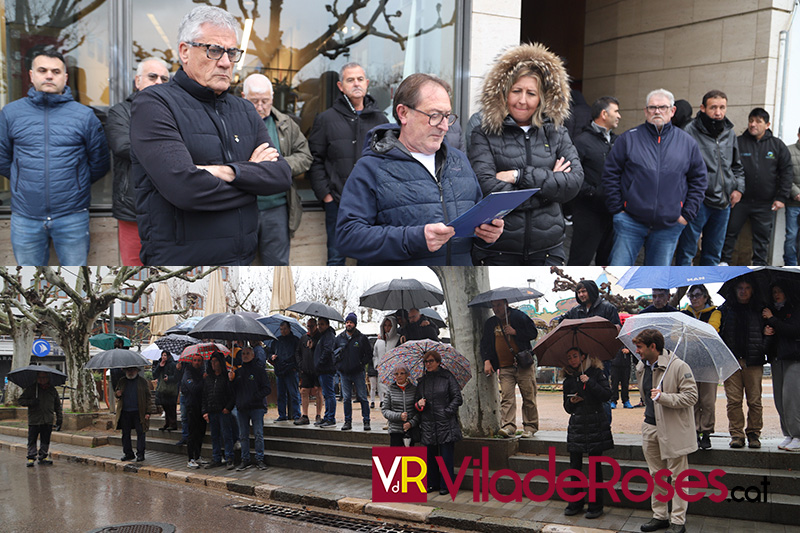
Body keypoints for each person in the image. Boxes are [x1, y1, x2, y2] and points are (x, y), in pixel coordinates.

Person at [130, 5, 292, 265]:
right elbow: (184, 188)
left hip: (242, 261)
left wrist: (227, 171)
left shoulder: (245, 109)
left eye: (233, 52)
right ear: (185, 51)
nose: (226, 62)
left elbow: (282, 176)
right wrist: (252, 177)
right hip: (182, 265)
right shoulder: (154, 104)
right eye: (214, 50)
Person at [335, 73, 504, 265]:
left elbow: (477, 218)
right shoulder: (371, 167)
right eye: (434, 116)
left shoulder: (459, 160)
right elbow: (347, 237)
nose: (444, 127)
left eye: (447, 116)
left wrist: (488, 234)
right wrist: (413, 239)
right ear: (403, 113)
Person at [469, 42, 583, 265]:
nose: (523, 100)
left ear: (542, 98)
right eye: (516, 91)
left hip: (548, 250)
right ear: (504, 92)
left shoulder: (557, 133)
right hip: (498, 250)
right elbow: (487, 187)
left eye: (531, 93)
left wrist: (517, 176)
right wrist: (549, 188)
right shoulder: (483, 133)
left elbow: (574, 183)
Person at [0, 49, 109, 266]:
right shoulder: (10, 113)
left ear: (65, 77)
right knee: (27, 283)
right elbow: (3, 159)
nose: (49, 76)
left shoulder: (84, 116)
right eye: (43, 70)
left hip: (72, 216)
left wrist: (76, 184)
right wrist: (23, 182)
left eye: (55, 71)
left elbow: (100, 162)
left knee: (77, 281)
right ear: (32, 75)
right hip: (25, 216)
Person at [602, 88, 707, 265]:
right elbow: (610, 174)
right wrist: (618, 209)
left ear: (672, 111)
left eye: (662, 107)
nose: (657, 111)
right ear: (645, 111)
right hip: (630, 221)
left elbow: (699, 180)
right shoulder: (628, 139)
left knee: (656, 282)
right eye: (652, 107)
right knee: (617, 275)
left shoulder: (687, 143)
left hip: (669, 226)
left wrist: (686, 215)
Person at [307, 62, 389, 265]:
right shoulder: (326, 119)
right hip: (337, 201)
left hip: (372, 202)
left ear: (367, 83)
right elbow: (314, 159)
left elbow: (388, 160)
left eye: (360, 79)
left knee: (369, 260)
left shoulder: (381, 120)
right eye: (350, 80)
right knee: (335, 258)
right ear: (340, 86)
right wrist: (325, 195)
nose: (356, 84)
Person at [106, 57, 171, 266]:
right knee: (133, 273)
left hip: (170, 208)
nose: (159, 82)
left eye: (164, 79)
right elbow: (123, 146)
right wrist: (168, 148)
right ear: (137, 81)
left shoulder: (176, 114)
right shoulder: (120, 112)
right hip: (132, 209)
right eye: (152, 77)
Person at [242, 73, 313, 265]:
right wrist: (251, 166)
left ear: (272, 98)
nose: (260, 107)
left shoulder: (286, 124)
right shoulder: (231, 123)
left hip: (277, 208)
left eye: (265, 101)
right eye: (254, 101)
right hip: (240, 208)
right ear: (243, 97)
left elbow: (305, 156)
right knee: (237, 266)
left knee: (277, 268)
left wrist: (279, 167)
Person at [633, 329, 698, 533]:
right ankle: (660, 515)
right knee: (657, 475)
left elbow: (691, 397)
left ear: (653, 347)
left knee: (678, 476)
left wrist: (664, 397)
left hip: (674, 429)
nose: (637, 351)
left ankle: (678, 520)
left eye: (641, 347)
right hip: (650, 426)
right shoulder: (641, 366)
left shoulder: (679, 366)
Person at [675, 90, 745, 266]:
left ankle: (706, 290)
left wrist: (739, 189)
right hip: (698, 201)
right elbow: (679, 168)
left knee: (713, 254)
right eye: (713, 107)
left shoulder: (729, 132)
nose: (718, 112)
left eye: (722, 107)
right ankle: (683, 288)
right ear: (703, 108)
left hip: (723, 203)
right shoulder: (689, 131)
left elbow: (736, 166)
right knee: (687, 252)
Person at [720, 108, 793, 266]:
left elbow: (787, 172)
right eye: (751, 121)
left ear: (767, 124)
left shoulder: (777, 146)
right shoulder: (738, 143)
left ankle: (759, 268)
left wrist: (781, 198)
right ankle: (723, 263)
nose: (753, 125)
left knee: (762, 239)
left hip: (765, 204)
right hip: (739, 201)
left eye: (758, 121)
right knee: (729, 234)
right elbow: (727, 168)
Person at [568, 96, 621, 266]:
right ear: (604, 114)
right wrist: (593, 192)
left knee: (607, 264)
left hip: (613, 214)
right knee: (580, 261)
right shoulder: (581, 142)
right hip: (588, 213)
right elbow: (572, 175)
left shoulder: (617, 141)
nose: (619, 116)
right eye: (616, 111)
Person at [562, 348, 613, 519]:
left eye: (575, 356)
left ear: (583, 356)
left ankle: (595, 505)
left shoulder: (597, 373)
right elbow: (567, 408)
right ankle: (575, 502)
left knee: (594, 468)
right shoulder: (568, 379)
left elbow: (606, 395)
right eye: (569, 357)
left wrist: (589, 381)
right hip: (577, 425)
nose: (572, 360)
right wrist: (572, 401)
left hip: (595, 424)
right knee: (575, 467)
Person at [480, 298, 539, 438]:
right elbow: (486, 344)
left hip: (523, 365)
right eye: (493, 305)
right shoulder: (491, 323)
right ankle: (508, 426)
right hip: (504, 367)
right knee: (507, 398)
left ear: (506, 304)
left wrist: (516, 332)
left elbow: (533, 333)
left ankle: (530, 426)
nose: (496, 308)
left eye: (499, 305)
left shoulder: (519, 316)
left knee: (529, 397)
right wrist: (487, 360)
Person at [718, 278, 765, 448]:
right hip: (731, 361)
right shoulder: (725, 309)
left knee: (754, 401)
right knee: (733, 401)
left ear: (752, 290)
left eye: (747, 288)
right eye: (740, 288)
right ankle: (737, 434)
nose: (743, 291)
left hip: (753, 361)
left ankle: (753, 433)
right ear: (735, 289)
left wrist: (762, 348)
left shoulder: (760, 309)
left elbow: (768, 334)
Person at [415, 350, 463, 496]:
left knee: (446, 456)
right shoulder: (422, 381)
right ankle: (432, 483)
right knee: (430, 456)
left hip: (445, 423)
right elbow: (415, 403)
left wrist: (447, 411)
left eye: (431, 361)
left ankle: (447, 485)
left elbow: (457, 398)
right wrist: (419, 404)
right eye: (426, 362)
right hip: (428, 423)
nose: (428, 364)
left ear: (438, 362)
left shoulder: (447, 377)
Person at [681, 284, 722, 449]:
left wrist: (690, 333)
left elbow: (712, 330)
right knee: (692, 400)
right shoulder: (684, 314)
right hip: (690, 362)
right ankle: (694, 431)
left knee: (708, 400)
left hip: (708, 363)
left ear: (705, 297)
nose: (694, 299)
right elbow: (678, 335)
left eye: (698, 295)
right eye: (691, 295)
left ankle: (706, 431)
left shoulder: (714, 312)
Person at [762, 283, 800, 451]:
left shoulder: (794, 309)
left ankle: (798, 434)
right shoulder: (770, 310)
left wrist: (772, 319)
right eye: (774, 292)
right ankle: (789, 433)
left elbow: (793, 330)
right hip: (776, 358)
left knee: (791, 397)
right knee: (779, 399)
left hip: (793, 358)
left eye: (780, 291)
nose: (777, 294)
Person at [228, 346, 270, 470]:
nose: (245, 356)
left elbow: (267, 388)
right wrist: (231, 381)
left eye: (247, 353)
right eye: (243, 354)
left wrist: (255, 397)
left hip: (256, 407)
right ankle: (245, 459)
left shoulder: (259, 370)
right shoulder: (238, 372)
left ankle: (259, 459)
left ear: (253, 355)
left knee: (258, 434)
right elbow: (232, 391)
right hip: (242, 408)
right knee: (243, 436)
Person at [334, 313, 373, 431]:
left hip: (358, 373)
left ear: (355, 324)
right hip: (344, 373)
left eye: (350, 322)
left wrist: (361, 364)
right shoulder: (339, 338)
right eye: (347, 322)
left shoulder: (362, 338)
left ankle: (366, 421)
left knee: (362, 397)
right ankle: (347, 421)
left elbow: (369, 354)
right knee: (346, 398)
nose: (348, 324)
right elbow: (333, 353)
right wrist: (338, 366)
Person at [19, 372, 63, 467]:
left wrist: (60, 417)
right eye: (40, 378)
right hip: (34, 419)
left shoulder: (52, 390)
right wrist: (31, 402)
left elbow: (57, 405)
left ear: (48, 378)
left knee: (45, 439)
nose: (42, 379)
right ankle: (31, 457)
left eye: (44, 377)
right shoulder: (31, 389)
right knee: (32, 439)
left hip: (48, 419)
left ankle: (43, 456)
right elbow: (21, 400)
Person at [114, 367, 156, 462]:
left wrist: (148, 412)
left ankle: (140, 454)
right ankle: (128, 453)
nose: (130, 372)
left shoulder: (142, 382)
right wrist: (117, 394)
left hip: (139, 412)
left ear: (137, 371)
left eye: (132, 370)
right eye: (128, 370)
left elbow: (148, 397)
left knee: (141, 433)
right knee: (125, 434)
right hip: (125, 412)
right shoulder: (122, 381)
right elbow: (116, 392)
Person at [203, 351, 236, 469]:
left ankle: (229, 458)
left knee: (227, 435)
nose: (213, 364)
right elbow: (205, 395)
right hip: (212, 411)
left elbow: (233, 394)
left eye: (216, 362)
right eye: (212, 362)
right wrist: (205, 411)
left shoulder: (226, 377)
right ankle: (216, 457)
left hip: (223, 411)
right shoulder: (209, 378)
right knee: (214, 436)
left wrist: (228, 407)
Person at [270, 321, 301, 422]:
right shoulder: (276, 341)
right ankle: (282, 414)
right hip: (280, 370)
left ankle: (296, 414)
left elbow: (298, 355)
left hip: (291, 370)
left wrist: (295, 366)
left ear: (289, 329)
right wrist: (271, 357)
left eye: (284, 329)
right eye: (281, 329)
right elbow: (270, 352)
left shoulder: (295, 340)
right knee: (281, 395)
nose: (283, 331)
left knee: (294, 393)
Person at [381, 364, 419, 447]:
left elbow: (418, 411)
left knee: (409, 458)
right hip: (395, 430)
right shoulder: (390, 389)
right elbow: (385, 410)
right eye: (396, 374)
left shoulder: (414, 389)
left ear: (407, 374)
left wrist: (411, 423)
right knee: (396, 458)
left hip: (410, 430)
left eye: (402, 373)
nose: (399, 376)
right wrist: (399, 416)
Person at [295, 317, 323, 426]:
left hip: (317, 370)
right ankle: (305, 415)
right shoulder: (303, 338)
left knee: (318, 391)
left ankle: (318, 415)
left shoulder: (320, 338)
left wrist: (314, 346)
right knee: (304, 391)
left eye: (312, 326)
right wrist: (300, 364)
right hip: (305, 369)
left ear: (316, 326)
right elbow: (297, 352)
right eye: (308, 326)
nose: (310, 328)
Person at [182, 354, 206, 468]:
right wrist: (203, 380)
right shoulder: (188, 373)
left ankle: (198, 456)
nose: (197, 362)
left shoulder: (202, 371)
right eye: (195, 360)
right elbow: (194, 388)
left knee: (201, 433)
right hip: (191, 406)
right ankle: (190, 458)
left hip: (202, 406)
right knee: (192, 433)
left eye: (199, 361)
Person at [314, 317, 338, 427]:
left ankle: (331, 418)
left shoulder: (329, 336)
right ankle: (328, 415)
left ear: (327, 325)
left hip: (326, 368)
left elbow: (327, 350)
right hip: (323, 369)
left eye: (322, 324)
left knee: (329, 394)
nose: (319, 326)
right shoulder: (323, 336)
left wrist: (319, 363)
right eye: (318, 324)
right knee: (326, 394)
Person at [373, 316, 400, 411]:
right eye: (385, 325)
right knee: (384, 397)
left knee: (394, 396)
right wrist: (377, 364)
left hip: (394, 372)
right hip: (382, 372)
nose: (387, 328)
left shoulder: (398, 339)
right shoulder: (379, 340)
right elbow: (375, 355)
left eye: (389, 325)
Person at [153, 350, 179, 431]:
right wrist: (160, 366)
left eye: (165, 355)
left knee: (171, 406)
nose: (163, 357)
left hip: (171, 389)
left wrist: (169, 379)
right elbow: (154, 374)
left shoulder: (173, 364)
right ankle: (167, 423)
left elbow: (176, 376)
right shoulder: (160, 364)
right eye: (162, 355)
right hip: (162, 388)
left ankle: (173, 423)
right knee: (165, 406)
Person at [786, 127, 800, 265]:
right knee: (791, 236)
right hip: (793, 203)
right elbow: (785, 176)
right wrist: (796, 193)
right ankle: (791, 264)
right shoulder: (789, 151)